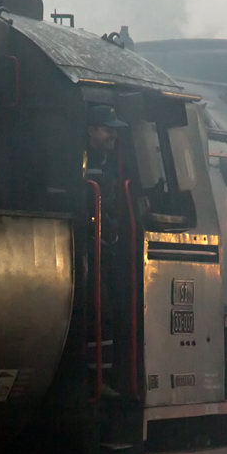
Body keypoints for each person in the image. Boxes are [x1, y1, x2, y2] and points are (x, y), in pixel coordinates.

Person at [85, 105, 128, 399]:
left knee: (109, 313)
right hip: (87, 248)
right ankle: (92, 379)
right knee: (96, 312)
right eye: (106, 128)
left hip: (106, 247)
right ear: (91, 130)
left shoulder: (107, 162)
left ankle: (102, 376)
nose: (112, 134)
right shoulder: (80, 161)